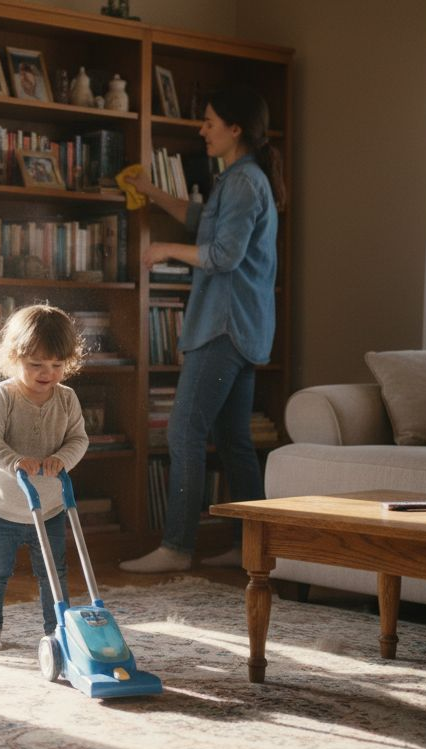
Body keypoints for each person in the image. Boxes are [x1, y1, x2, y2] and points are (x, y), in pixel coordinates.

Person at [118, 84, 285, 573]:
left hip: (223, 327)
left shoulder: (243, 182)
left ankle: (176, 546)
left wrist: (165, 250)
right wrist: (152, 192)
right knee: (234, 441)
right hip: (243, 328)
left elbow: (224, 255)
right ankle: (251, 548)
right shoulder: (239, 179)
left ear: (235, 129)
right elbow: (200, 220)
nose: (201, 130)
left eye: (209, 122)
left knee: (184, 432)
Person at [0, 304, 89, 650]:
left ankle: (57, 630)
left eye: (57, 365)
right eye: (36, 364)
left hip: (50, 507)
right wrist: (15, 461)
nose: (47, 373)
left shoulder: (67, 399)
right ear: (14, 357)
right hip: (2, 508)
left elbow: (79, 439)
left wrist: (61, 460)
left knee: (54, 573)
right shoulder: (4, 395)